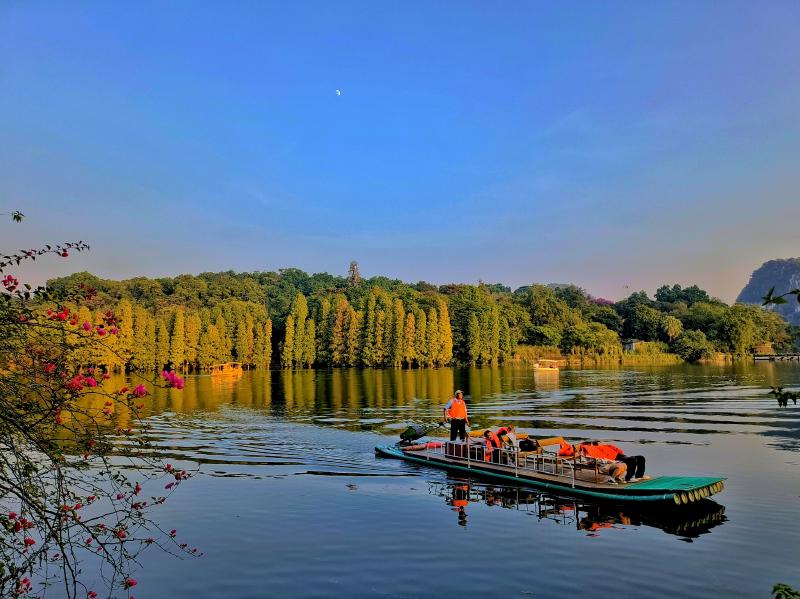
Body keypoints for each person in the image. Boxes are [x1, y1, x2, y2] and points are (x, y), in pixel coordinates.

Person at [579, 441, 647, 482]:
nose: (591, 444)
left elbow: (617, 450)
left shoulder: (603, 446)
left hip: (620, 455)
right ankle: (628, 478)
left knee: (641, 458)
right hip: (614, 459)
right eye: (590, 444)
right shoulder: (590, 450)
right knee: (632, 460)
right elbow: (592, 458)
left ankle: (639, 475)